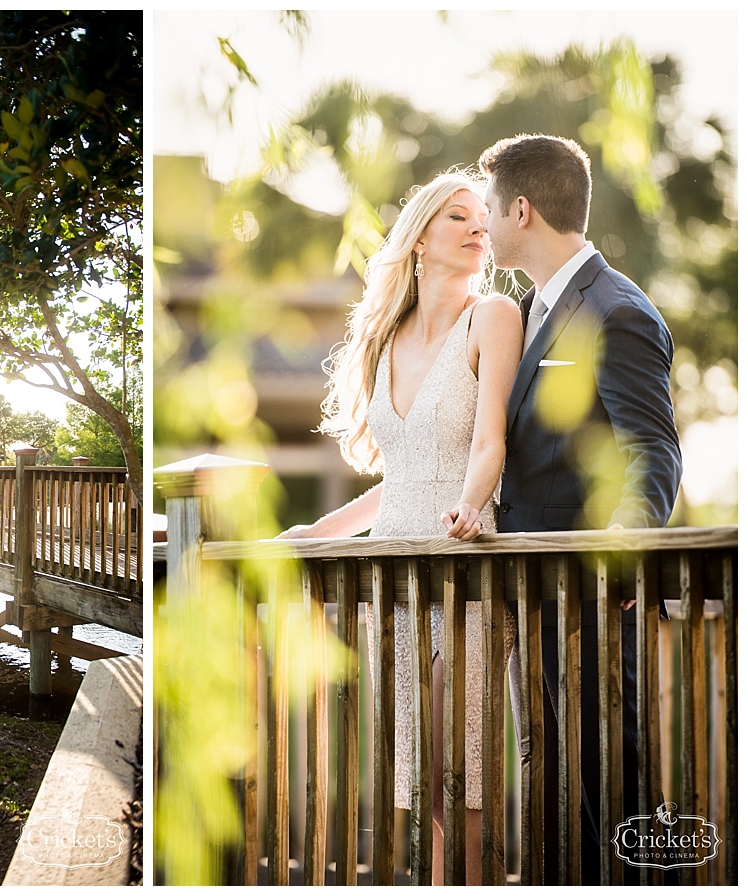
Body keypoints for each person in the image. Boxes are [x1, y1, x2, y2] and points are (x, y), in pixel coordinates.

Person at [280, 170, 523, 884]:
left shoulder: (494, 318)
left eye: (483, 217)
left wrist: (473, 505)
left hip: (467, 565)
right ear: (419, 238)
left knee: (463, 768)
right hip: (394, 579)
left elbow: (490, 444)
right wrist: (320, 530)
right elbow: (402, 479)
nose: (480, 227)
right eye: (459, 216)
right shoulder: (383, 339)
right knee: (418, 771)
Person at [478, 134, 683, 884]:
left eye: (491, 210)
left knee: (613, 781)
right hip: (532, 596)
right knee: (555, 790)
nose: (486, 226)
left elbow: (651, 450)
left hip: (593, 598)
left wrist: (622, 554)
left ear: (522, 209)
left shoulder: (616, 309)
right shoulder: (527, 309)